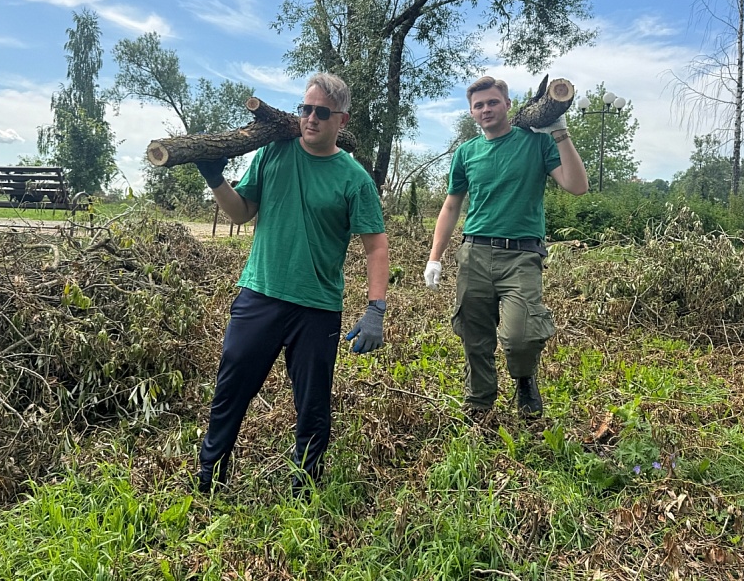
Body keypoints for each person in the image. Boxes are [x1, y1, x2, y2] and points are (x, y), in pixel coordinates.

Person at [194, 72, 389, 495]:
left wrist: (376, 309)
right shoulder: (272, 154)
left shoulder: (354, 178)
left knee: (312, 404)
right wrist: (215, 178)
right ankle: (210, 478)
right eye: (306, 109)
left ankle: (306, 486)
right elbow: (241, 213)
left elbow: (376, 247)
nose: (311, 118)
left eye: (322, 112)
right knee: (231, 391)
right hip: (259, 294)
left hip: (317, 307)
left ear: (342, 120)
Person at [423, 76, 588, 420]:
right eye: (479, 105)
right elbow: (451, 206)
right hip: (475, 254)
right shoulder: (467, 152)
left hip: (522, 256)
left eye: (493, 102)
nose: (486, 109)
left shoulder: (535, 144)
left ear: (508, 105)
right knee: (475, 334)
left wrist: (560, 131)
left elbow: (577, 186)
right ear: (472, 112)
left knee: (521, 335)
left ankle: (525, 377)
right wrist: (434, 258)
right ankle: (479, 401)